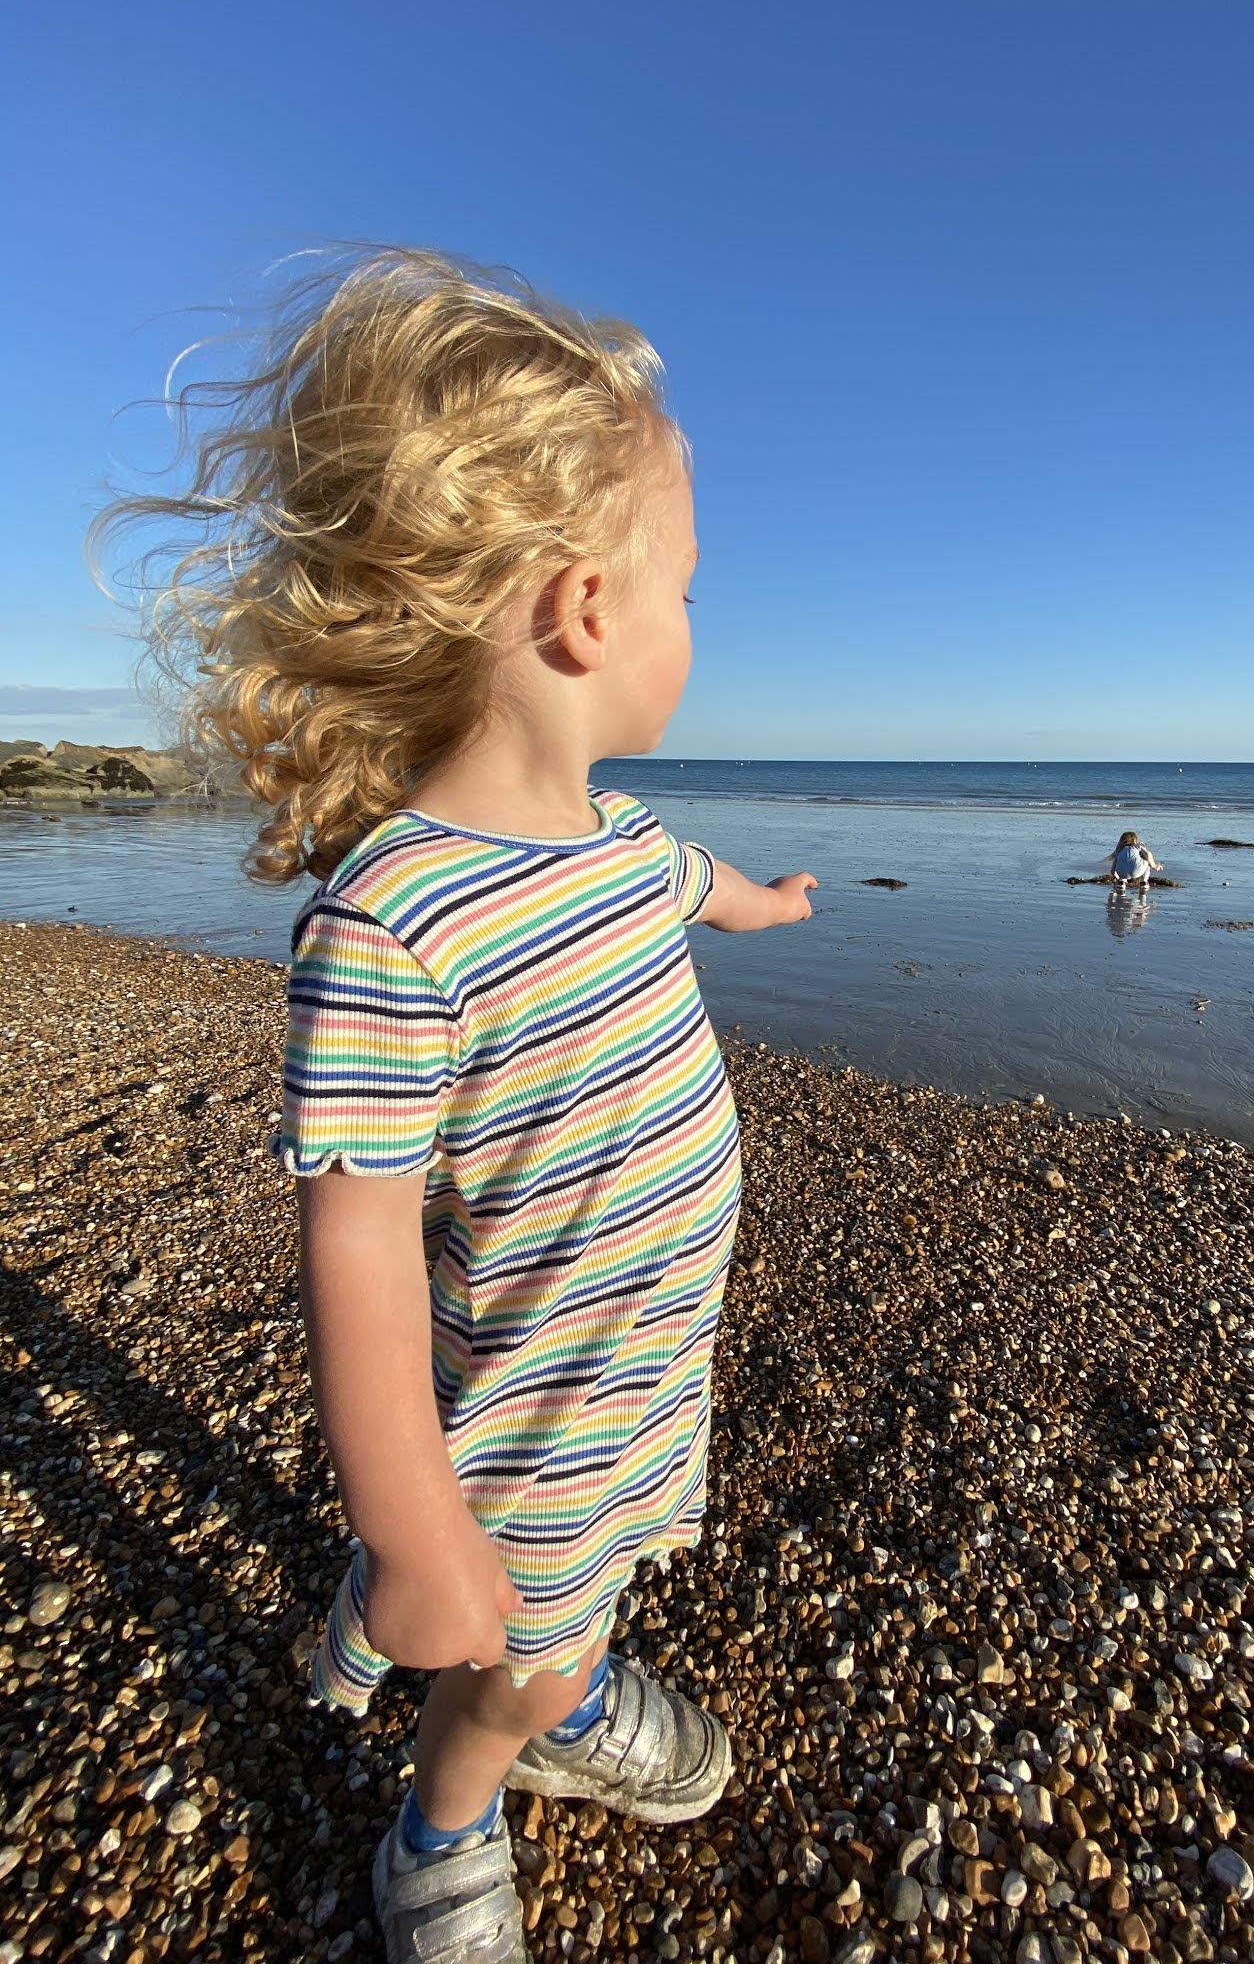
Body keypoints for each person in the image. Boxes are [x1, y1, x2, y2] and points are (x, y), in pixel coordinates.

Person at [109, 250, 817, 1964]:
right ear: (586, 612)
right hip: (527, 1394)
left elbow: (689, 880)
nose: (692, 631)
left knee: (603, 1572)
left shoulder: (619, 839)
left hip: (643, 1355)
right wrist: (412, 1523)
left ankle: (543, 1677)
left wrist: (770, 904)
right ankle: (449, 1816)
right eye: (689, 594)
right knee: (523, 1641)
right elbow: (351, 1248)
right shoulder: (396, 921)